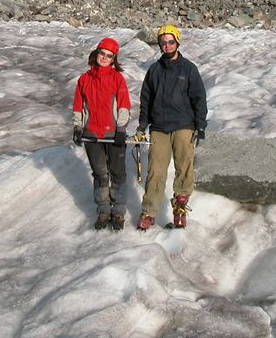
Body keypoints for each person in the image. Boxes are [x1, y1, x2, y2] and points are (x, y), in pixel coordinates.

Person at [137, 24, 207, 230]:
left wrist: (200, 125)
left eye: (170, 42)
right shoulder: (154, 70)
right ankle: (149, 212)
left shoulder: (189, 69)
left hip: (183, 125)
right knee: (155, 172)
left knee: (184, 166)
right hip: (159, 127)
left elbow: (199, 98)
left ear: (177, 42)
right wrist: (142, 125)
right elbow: (146, 99)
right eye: (163, 42)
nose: (167, 45)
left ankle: (180, 208)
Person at [72, 37, 132, 231]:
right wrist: (78, 127)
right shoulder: (84, 79)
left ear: (114, 59)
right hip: (91, 134)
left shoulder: (117, 79)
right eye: (102, 53)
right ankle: (104, 210)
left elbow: (124, 104)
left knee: (118, 173)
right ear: (96, 53)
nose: (104, 58)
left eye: (109, 56)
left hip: (114, 134)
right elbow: (78, 106)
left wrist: (121, 128)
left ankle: (119, 211)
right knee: (100, 173)